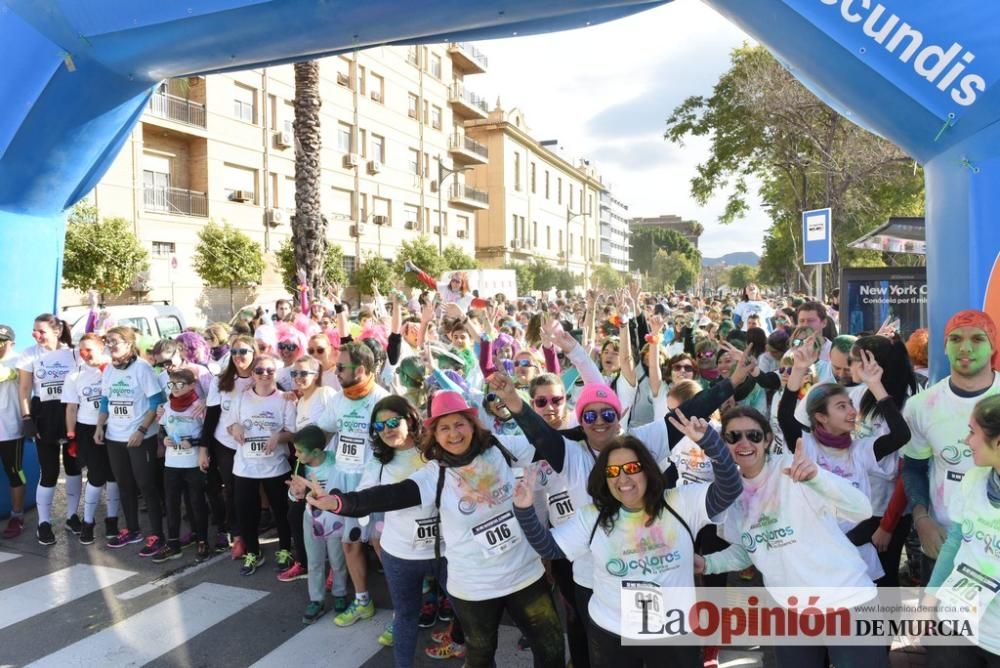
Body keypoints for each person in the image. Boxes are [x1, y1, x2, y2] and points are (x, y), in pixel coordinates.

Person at [308, 390, 566, 668]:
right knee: (480, 657)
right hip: (473, 587)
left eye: (459, 424)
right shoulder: (434, 474)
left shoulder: (500, 447)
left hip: (525, 574)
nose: (453, 434)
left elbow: (552, 445)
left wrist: (519, 405)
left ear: (472, 424)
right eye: (444, 428)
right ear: (435, 434)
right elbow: (388, 495)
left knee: (551, 650)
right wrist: (337, 502)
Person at [513, 413, 739, 667]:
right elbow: (549, 547)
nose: (623, 479)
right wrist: (524, 510)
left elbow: (730, 488)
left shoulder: (680, 502)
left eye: (632, 468)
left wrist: (711, 442)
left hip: (673, 630)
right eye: (613, 472)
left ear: (648, 469)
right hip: (612, 632)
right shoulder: (593, 516)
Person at [700, 407, 887, 668]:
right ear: (724, 444)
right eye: (733, 437)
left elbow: (862, 509)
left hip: (846, 601)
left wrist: (816, 478)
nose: (744, 443)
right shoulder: (728, 491)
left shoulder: (794, 469)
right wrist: (708, 564)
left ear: (766, 440)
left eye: (753, 435)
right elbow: (748, 549)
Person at [778, 336, 911, 581]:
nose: (852, 411)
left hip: (859, 553)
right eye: (841, 407)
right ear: (821, 417)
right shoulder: (805, 446)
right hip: (819, 554)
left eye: (851, 404)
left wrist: (875, 385)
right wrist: (798, 369)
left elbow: (901, 435)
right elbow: (786, 417)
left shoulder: (861, 450)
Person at [903, 310, 1000, 585]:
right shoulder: (921, 406)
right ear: (944, 347)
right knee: (938, 624)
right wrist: (921, 519)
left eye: (978, 339)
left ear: (993, 346)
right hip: (941, 540)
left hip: (993, 545)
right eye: (955, 339)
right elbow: (913, 468)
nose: (965, 347)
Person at [357, 396, 456, 663]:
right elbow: (361, 497)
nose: (387, 430)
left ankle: (463, 648)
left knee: (466, 611)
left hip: (449, 550)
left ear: (410, 419)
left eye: (392, 422)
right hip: (401, 555)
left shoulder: (435, 450)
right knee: (405, 615)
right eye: (380, 426)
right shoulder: (378, 462)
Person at [316, 342, 390, 627]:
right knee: (350, 544)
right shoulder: (338, 399)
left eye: (341, 367)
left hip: (375, 484)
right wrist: (307, 450)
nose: (336, 372)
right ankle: (362, 601)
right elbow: (322, 432)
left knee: (383, 546)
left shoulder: (382, 401)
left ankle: (403, 611)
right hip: (345, 483)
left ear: (360, 369)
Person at [923, 394, 1000, 666]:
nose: (967, 441)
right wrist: (930, 599)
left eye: (972, 432)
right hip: (956, 623)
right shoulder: (974, 479)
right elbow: (955, 541)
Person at [95, 326, 167, 553]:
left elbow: (157, 402)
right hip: (115, 436)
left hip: (140, 437)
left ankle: (157, 535)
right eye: (108, 342)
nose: (111, 346)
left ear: (128, 344)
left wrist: (142, 430)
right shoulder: (109, 370)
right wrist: (99, 426)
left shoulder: (142, 368)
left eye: (115, 341)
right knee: (124, 485)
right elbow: (106, 401)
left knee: (146, 485)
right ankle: (133, 530)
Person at [228, 353, 296, 576]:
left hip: (275, 466)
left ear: (276, 373)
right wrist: (234, 428)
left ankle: (285, 549)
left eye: (270, 371)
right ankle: (253, 552)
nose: (265, 375)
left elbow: (292, 431)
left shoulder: (285, 399)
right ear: (253, 374)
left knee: (280, 512)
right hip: (245, 466)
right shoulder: (240, 397)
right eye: (259, 371)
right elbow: (231, 425)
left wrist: (279, 436)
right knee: (246, 512)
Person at [16, 313, 79, 545]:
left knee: (73, 468)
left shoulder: (72, 353)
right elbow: (24, 390)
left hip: (71, 414)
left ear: (57, 331)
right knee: (49, 472)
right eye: (34, 330)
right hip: (44, 415)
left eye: (41, 331)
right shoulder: (29, 354)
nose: (36, 335)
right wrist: (27, 418)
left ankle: (73, 516)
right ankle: (44, 523)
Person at [285, 427, 350, 622]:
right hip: (311, 517)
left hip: (335, 518)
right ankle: (316, 599)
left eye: (299, 451)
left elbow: (343, 487)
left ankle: (340, 594)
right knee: (314, 560)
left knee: (338, 560)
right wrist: (295, 494)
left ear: (316, 452)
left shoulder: (336, 462)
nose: (295, 454)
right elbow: (294, 491)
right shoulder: (299, 465)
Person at [62, 333, 119, 545]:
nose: (84, 354)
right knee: (96, 475)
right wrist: (71, 436)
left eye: (89, 350)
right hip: (87, 429)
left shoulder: (113, 368)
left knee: (114, 476)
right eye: (81, 350)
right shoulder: (74, 375)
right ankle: (88, 522)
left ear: (101, 348)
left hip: (114, 426)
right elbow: (70, 407)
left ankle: (112, 520)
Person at [203, 335, 257, 557]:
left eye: (244, 351)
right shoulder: (220, 381)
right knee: (231, 491)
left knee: (250, 492)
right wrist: (203, 449)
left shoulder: (262, 376)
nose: (238, 357)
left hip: (253, 446)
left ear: (254, 353)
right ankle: (237, 537)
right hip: (224, 445)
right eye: (234, 352)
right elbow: (211, 417)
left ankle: (251, 533)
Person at [154, 367, 211, 562]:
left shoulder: (199, 406)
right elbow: (162, 430)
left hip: (193, 462)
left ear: (192, 385)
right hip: (172, 463)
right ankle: (173, 543)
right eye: (171, 385)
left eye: (180, 384)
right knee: (172, 504)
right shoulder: (166, 406)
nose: (175, 388)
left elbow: (208, 433)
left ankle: (202, 540)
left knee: (196, 502)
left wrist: (193, 442)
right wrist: (165, 440)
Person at [0, 324, 25, 538]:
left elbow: (6, 374)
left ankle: (17, 516)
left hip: (10, 429)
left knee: (15, 472)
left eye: (2, 341)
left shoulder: (19, 361)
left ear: (12, 343)